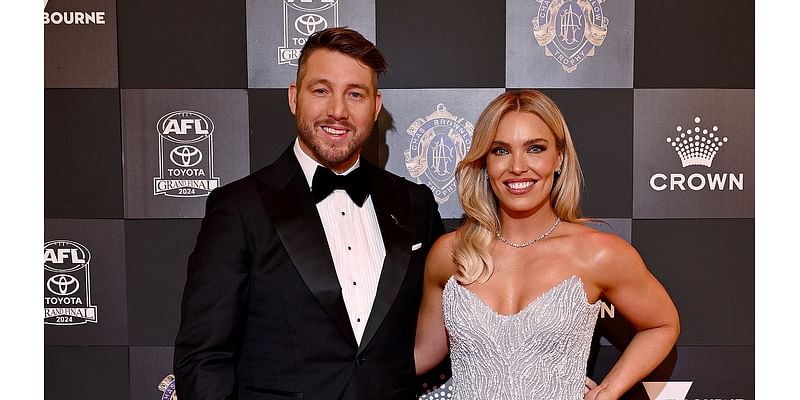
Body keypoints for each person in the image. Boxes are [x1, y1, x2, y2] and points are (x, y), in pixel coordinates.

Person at [174, 27, 445, 400]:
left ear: (376, 105)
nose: (338, 111)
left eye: (355, 94)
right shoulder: (239, 209)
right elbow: (205, 357)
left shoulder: (414, 203)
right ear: (293, 97)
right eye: (321, 91)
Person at [414, 90, 679, 400]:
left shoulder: (597, 253)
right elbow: (423, 352)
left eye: (535, 148)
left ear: (559, 158)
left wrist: (608, 390)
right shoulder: (450, 253)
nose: (517, 166)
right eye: (500, 150)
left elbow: (662, 324)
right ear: (485, 161)